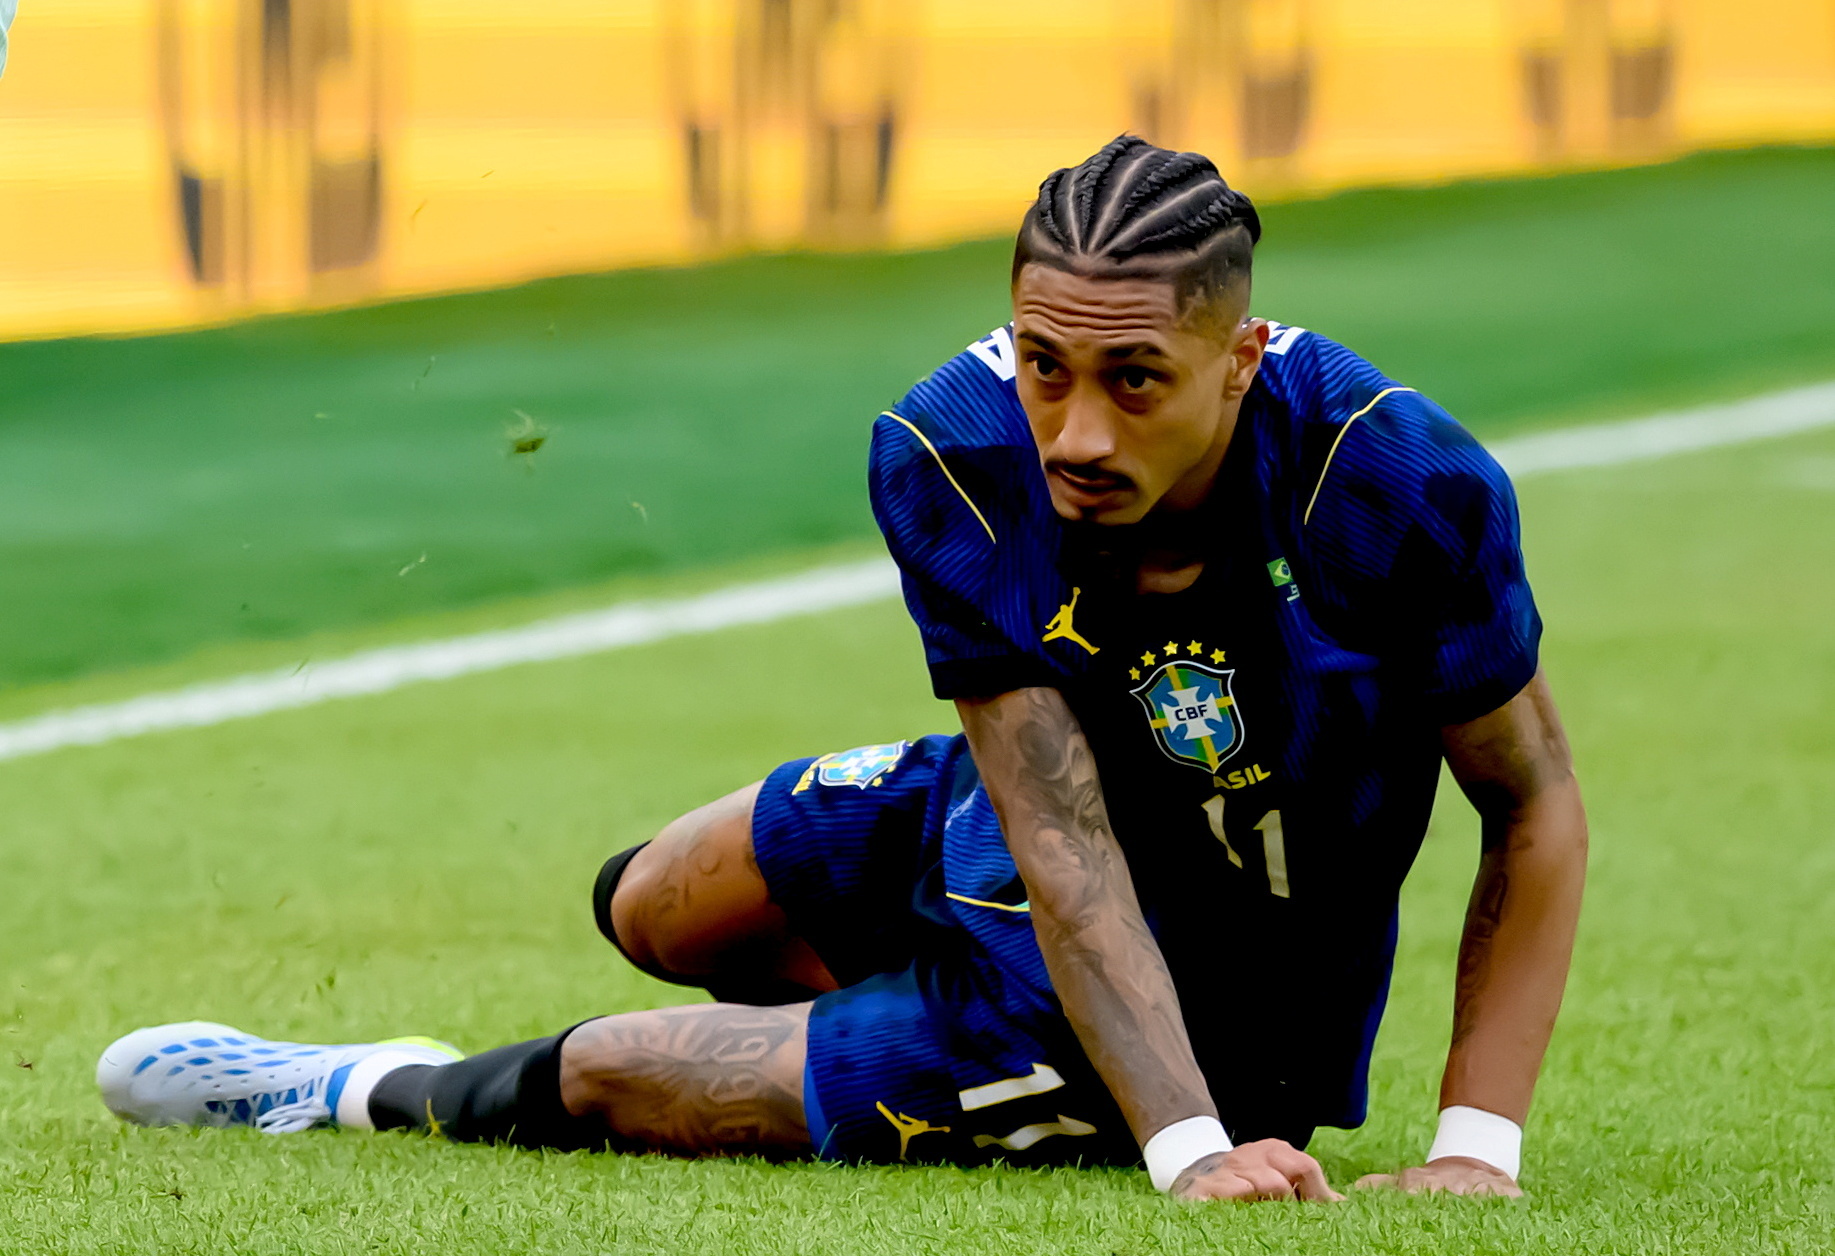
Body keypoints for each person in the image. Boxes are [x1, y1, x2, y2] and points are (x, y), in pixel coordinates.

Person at [97, 137, 1587, 1203]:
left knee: (622, 1068)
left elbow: (1530, 804)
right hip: (1015, 829)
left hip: (1201, 1010)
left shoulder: (1391, 478)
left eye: (1136, 381)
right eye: (1046, 365)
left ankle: (357, 1086)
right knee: (649, 901)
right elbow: (1057, 831)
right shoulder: (951, 446)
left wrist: (1417, 1147)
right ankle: (888, 1012)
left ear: (1241, 358)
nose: (1077, 432)